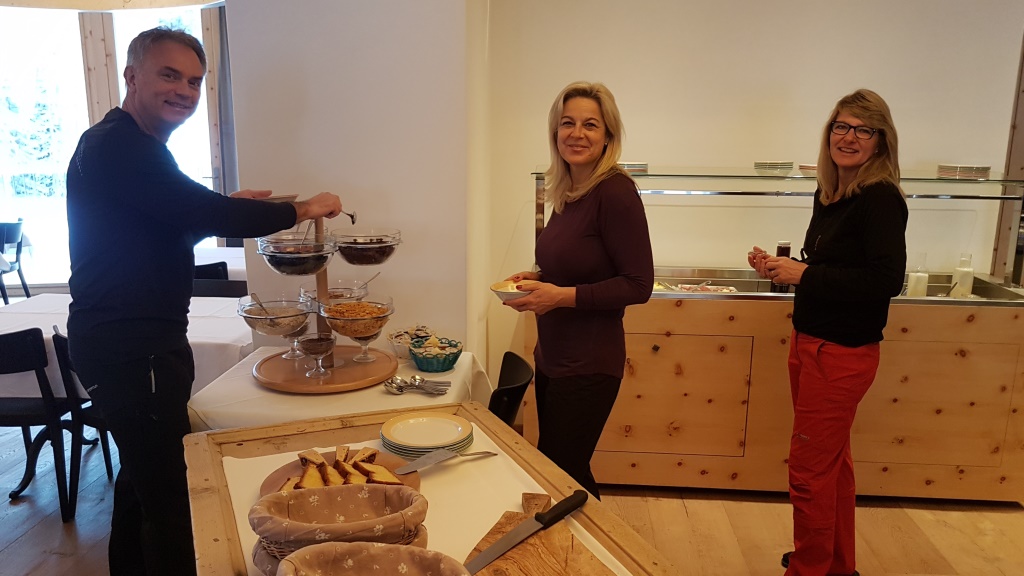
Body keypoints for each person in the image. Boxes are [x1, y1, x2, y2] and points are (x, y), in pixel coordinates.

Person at [65, 28, 343, 576]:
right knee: (171, 492)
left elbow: (162, 229)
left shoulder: (128, 146)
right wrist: (305, 208)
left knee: (140, 480)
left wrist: (221, 206)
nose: (185, 91)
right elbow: (207, 213)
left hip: (132, 343)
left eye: (194, 81)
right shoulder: (120, 144)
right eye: (169, 75)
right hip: (133, 348)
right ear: (131, 76)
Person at [748, 89, 907, 576]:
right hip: (810, 343)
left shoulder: (880, 198)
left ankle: (809, 569)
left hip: (840, 353)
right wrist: (782, 268)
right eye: (841, 126)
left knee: (809, 472)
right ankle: (835, 564)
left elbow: (885, 280)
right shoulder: (831, 192)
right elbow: (828, 267)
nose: (849, 137)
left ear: (880, 141)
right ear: (829, 133)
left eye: (863, 130)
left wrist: (805, 275)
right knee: (831, 466)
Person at [505, 81, 653, 499]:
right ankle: (601, 542)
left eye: (590, 124)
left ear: (608, 135)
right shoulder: (568, 190)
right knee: (566, 474)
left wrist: (559, 296)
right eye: (567, 123)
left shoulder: (616, 192)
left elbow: (639, 284)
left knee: (559, 476)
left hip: (589, 364)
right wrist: (538, 278)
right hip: (553, 358)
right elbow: (573, 266)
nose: (577, 133)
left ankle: (595, 542)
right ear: (555, 131)